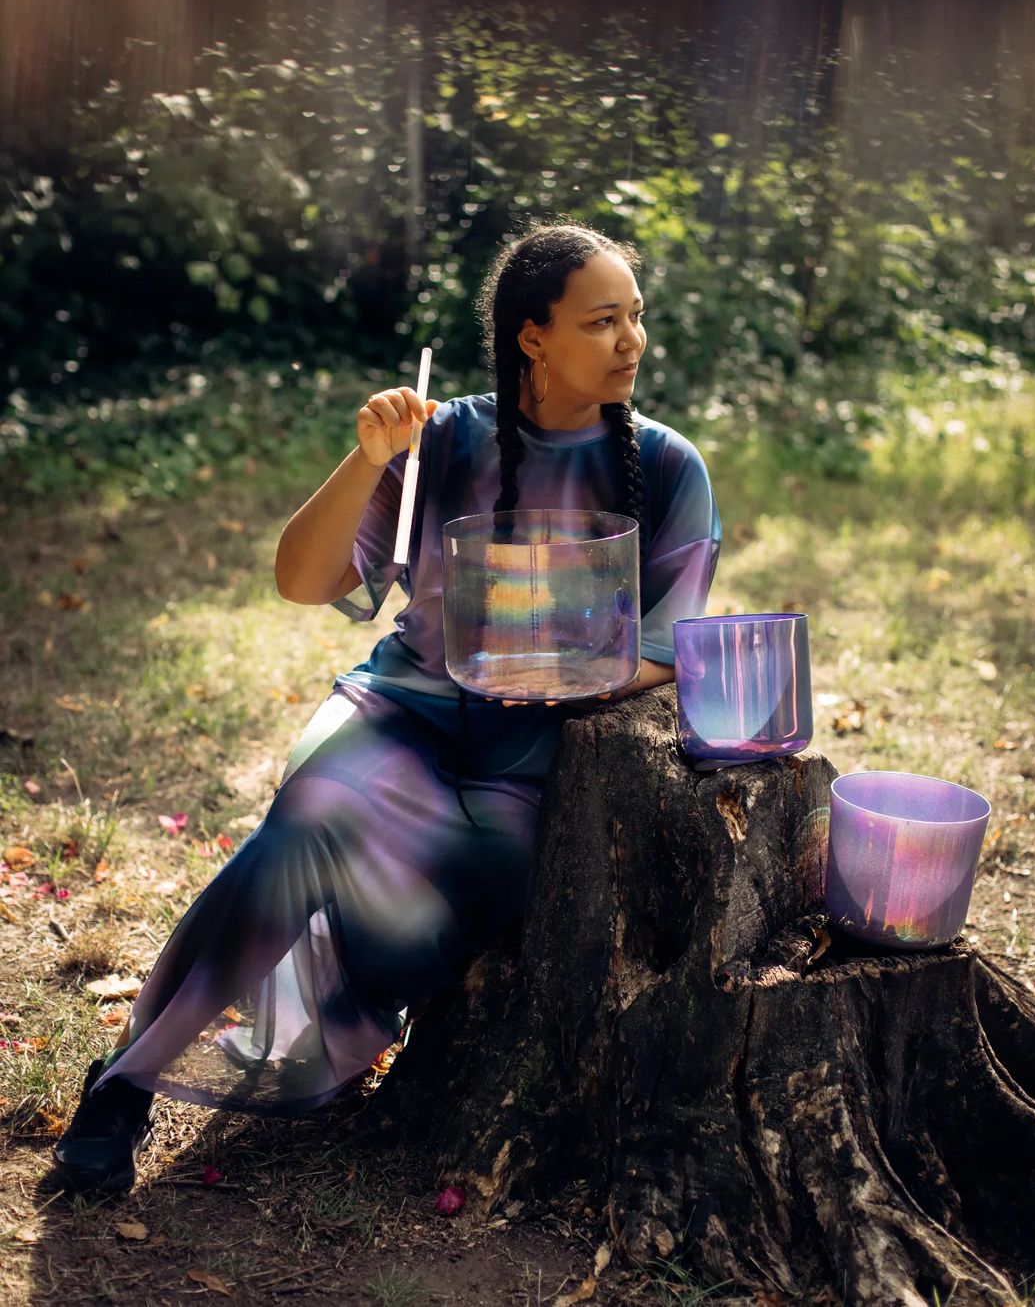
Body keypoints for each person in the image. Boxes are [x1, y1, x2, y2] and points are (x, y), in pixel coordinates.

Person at [53, 222, 722, 1194]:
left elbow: (671, 642)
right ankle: (123, 1083)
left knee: (460, 897)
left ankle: (350, 1024)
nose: (632, 342)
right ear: (532, 336)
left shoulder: (667, 468)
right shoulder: (445, 436)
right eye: (603, 320)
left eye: (636, 318)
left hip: (529, 757)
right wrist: (369, 458)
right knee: (305, 823)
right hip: (400, 712)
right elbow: (302, 579)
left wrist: (548, 670)